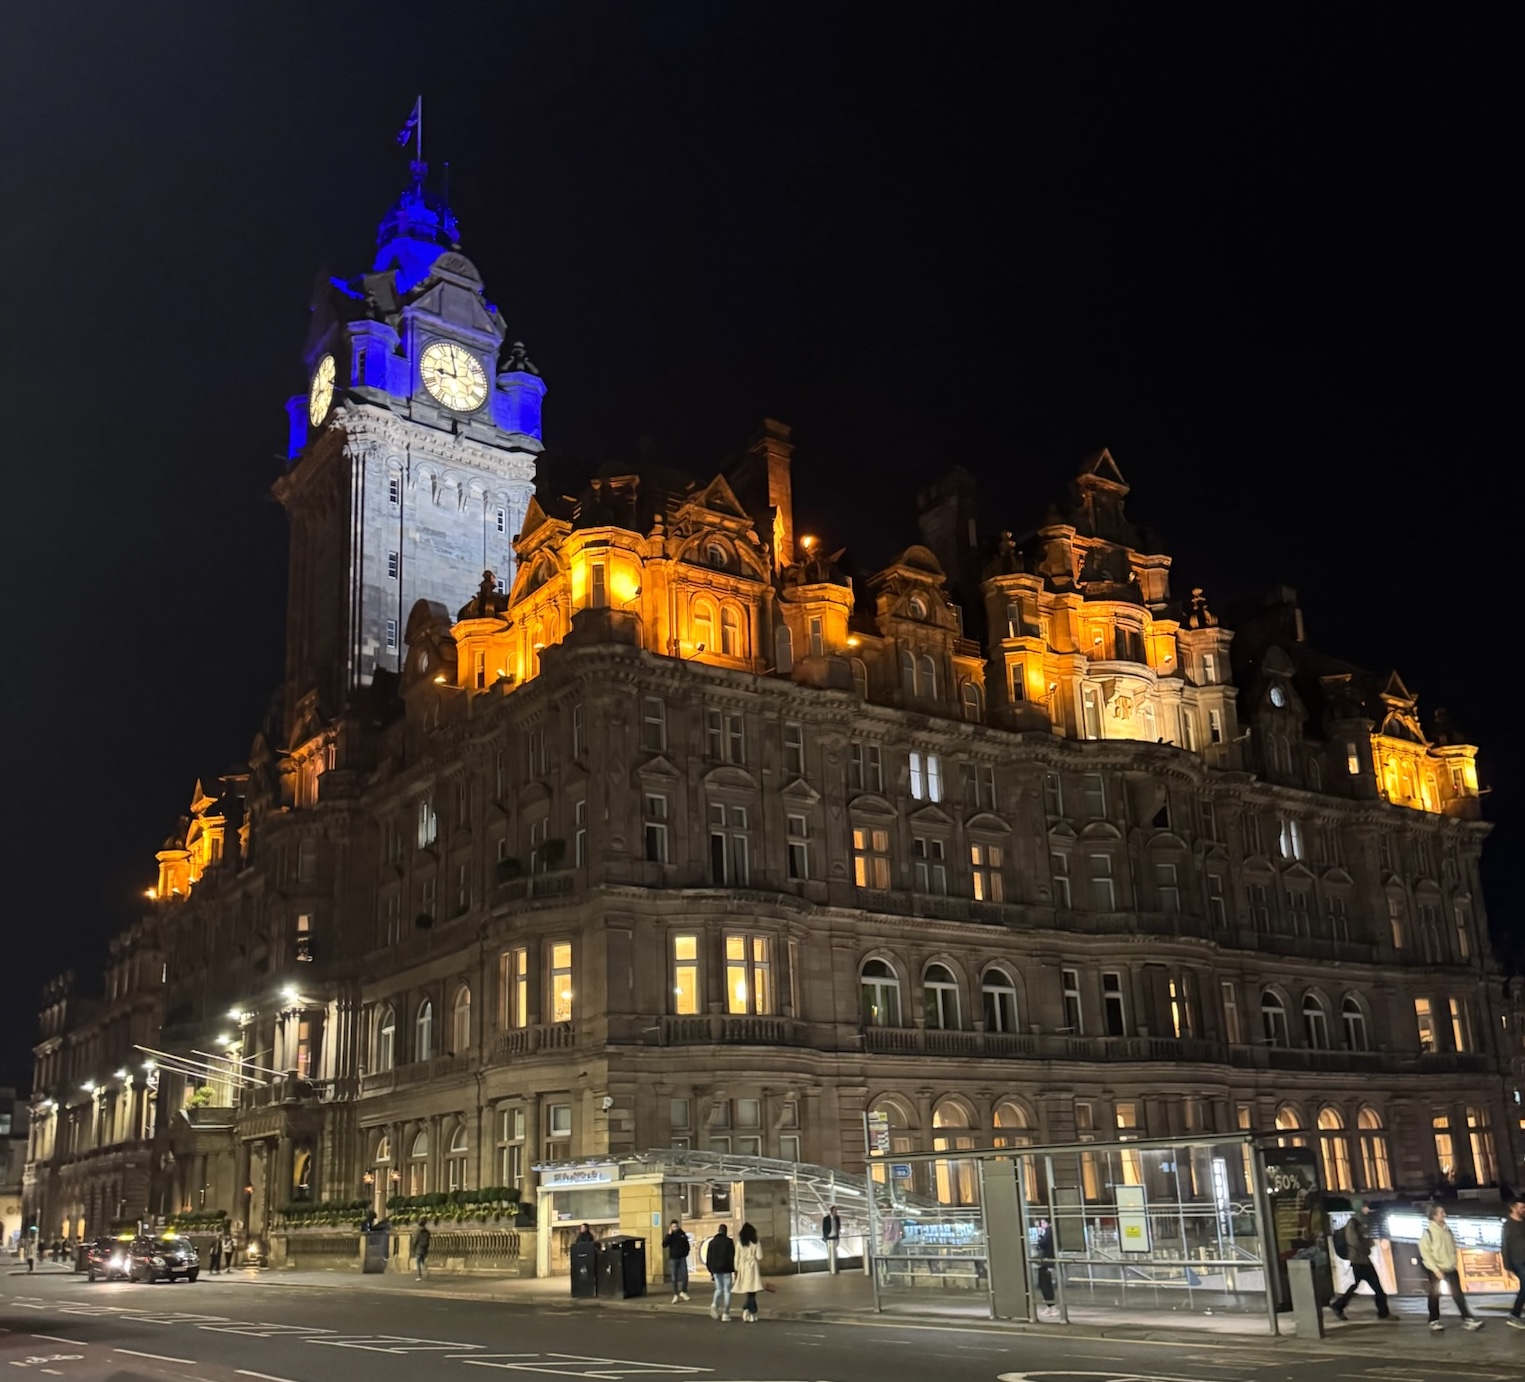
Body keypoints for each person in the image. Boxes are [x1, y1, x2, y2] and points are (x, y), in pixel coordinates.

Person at [1418, 1204, 1482, 1331]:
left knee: (1458, 1294)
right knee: (1434, 1295)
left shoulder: (1448, 1230)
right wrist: (1435, 1269)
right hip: (1436, 1268)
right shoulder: (1428, 1233)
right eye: (1441, 1213)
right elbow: (1425, 1254)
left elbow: (1453, 1247)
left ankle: (1467, 1318)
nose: (1444, 1215)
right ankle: (1434, 1320)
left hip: (1450, 1267)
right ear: (1434, 1216)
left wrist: (1454, 1262)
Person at [1330, 1199, 1388, 1321]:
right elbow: (1354, 1241)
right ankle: (1383, 1313)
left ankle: (1339, 1305)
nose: (1367, 1209)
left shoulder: (1358, 1222)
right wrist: (1368, 1244)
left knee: (1357, 1285)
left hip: (1361, 1259)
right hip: (1359, 1260)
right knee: (1377, 1287)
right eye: (1364, 1207)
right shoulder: (1353, 1223)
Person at [705, 1222, 736, 1322]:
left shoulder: (712, 1242)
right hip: (726, 1269)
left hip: (716, 1269)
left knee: (719, 1289)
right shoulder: (729, 1242)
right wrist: (734, 1269)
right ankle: (726, 1314)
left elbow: (708, 1258)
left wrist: (711, 1271)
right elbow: (732, 1257)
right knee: (727, 1291)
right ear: (726, 1232)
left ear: (718, 1231)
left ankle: (714, 1304)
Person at [1503, 1197, 1525, 1330]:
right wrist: (1508, 1268)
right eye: (1521, 1207)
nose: (1524, 1209)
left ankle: (1514, 1315)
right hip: (1518, 1262)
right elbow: (1505, 1247)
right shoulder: (1508, 1225)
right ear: (1513, 1207)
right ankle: (1514, 1315)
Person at [735, 1222, 763, 1323]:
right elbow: (759, 1256)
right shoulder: (756, 1243)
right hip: (752, 1267)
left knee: (748, 1291)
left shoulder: (739, 1243)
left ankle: (748, 1310)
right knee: (752, 1291)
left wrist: (736, 1269)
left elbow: (736, 1257)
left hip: (743, 1267)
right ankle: (751, 1312)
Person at [661, 1220, 691, 1303]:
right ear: (671, 1227)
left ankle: (683, 1291)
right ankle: (675, 1294)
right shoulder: (670, 1236)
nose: (675, 1228)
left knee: (685, 1276)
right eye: (674, 1227)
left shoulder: (682, 1234)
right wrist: (668, 1235)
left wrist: (686, 1253)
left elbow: (687, 1245)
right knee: (674, 1277)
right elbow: (664, 1244)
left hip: (682, 1258)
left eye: (676, 1226)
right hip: (674, 1258)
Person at [1034, 1218, 1057, 1318]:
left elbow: (1041, 1244)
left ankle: (1052, 1306)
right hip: (1045, 1262)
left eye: (1043, 1222)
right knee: (1043, 1284)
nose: (1041, 1224)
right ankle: (1050, 1306)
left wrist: (1039, 1235)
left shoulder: (1049, 1233)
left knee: (1045, 1284)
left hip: (1046, 1262)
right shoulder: (1048, 1233)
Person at [821, 1204, 841, 1275]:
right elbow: (824, 1229)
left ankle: (836, 1267)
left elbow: (838, 1227)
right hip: (829, 1237)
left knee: (835, 1252)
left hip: (835, 1236)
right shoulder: (826, 1219)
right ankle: (830, 1266)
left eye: (836, 1211)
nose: (836, 1212)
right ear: (831, 1211)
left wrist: (838, 1236)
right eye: (835, 1211)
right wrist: (825, 1237)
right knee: (829, 1253)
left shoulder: (837, 1218)